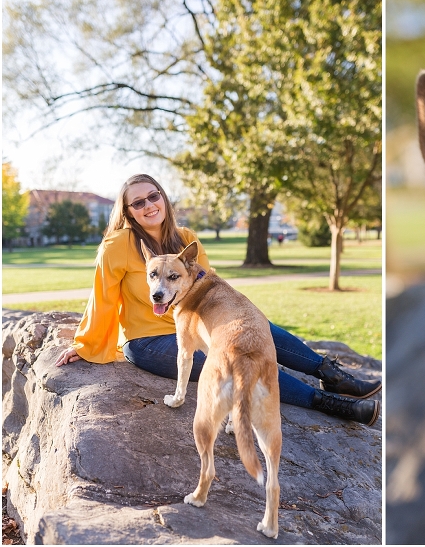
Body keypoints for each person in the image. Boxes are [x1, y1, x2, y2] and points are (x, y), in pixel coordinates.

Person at [55, 174, 380, 426]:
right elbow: (102, 299)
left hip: (199, 325)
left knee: (260, 329)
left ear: (164, 199)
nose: (148, 205)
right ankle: (335, 405)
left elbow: (209, 290)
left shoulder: (186, 239)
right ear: (127, 212)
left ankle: (335, 376)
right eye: (137, 203)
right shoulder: (117, 245)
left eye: (153, 196)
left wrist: (239, 321)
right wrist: (86, 345)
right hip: (151, 341)